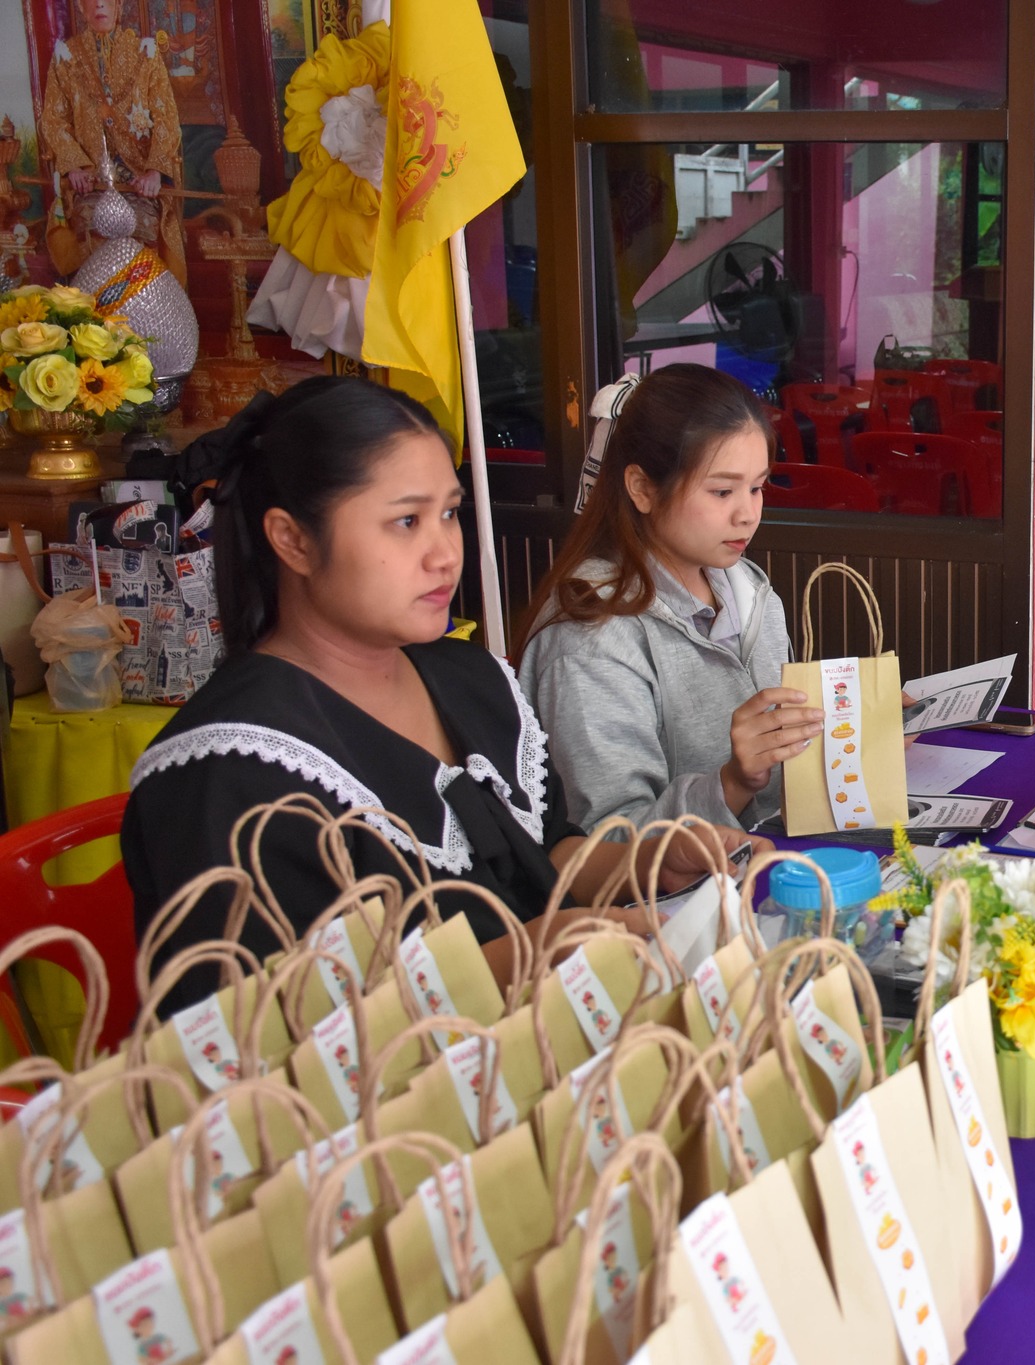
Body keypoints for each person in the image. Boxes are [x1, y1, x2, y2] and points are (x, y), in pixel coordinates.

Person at [124, 377, 759, 1009]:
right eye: (406, 521)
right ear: (293, 539)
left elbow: (547, 852)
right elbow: (271, 1030)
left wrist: (648, 862)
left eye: (450, 514)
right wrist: (519, 958)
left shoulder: (468, 679)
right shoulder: (229, 773)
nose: (445, 555)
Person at [517, 365, 816, 832]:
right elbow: (610, 841)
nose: (747, 514)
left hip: (776, 859)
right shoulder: (590, 638)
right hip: (688, 882)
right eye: (722, 491)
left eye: (757, 487)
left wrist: (849, 733)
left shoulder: (746, 589)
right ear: (641, 488)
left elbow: (782, 764)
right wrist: (733, 783)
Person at [38, 0, 185, 282]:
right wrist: (74, 167)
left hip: (138, 181)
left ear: (119, 5)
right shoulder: (65, 57)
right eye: (91, 0)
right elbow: (54, 121)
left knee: (140, 224)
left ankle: (143, 304)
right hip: (90, 181)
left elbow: (166, 119)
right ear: (81, 8)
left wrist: (155, 172)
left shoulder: (145, 53)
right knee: (90, 222)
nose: (99, 4)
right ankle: (93, 306)